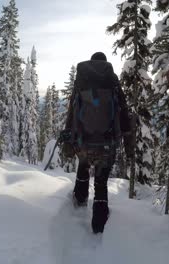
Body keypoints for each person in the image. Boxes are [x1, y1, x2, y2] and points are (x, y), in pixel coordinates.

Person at [61, 52, 134, 233]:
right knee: (101, 182)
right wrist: (127, 140)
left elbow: (73, 110)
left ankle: (79, 200)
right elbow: (123, 111)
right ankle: (98, 225)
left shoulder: (82, 80)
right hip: (107, 142)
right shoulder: (112, 80)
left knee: (83, 166)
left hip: (83, 141)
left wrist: (68, 136)